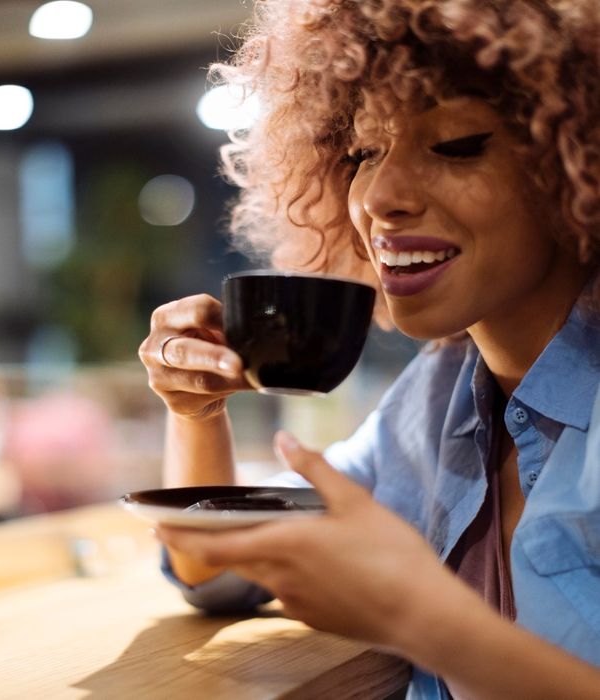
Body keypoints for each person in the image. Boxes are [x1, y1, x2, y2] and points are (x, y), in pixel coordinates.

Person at [138, 1, 600, 697]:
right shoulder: (438, 395)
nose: (380, 196)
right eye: (362, 154)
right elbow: (218, 566)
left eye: (456, 144)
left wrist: (419, 617)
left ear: (574, 165)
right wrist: (196, 412)